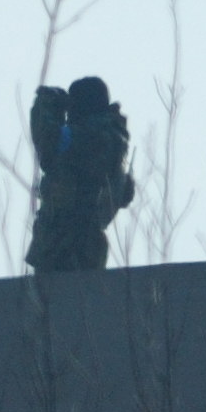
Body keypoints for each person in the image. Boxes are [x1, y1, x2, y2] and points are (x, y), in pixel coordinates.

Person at [25, 75, 135, 275]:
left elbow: (48, 143)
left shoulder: (88, 136)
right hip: (87, 246)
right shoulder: (112, 139)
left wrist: (46, 103)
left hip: (65, 245)